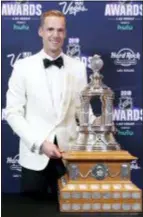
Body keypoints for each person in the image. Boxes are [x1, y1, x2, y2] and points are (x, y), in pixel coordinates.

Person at [4, 10, 87, 200]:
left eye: (60, 30)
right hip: (34, 156)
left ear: (65, 33)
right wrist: (40, 143)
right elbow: (13, 113)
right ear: (40, 31)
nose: (55, 35)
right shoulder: (22, 67)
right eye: (50, 29)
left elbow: (82, 110)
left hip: (69, 155)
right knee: (34, 210)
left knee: (72, 209)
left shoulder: (79, 67)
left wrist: (100, 127)